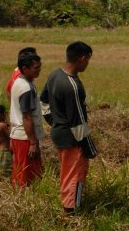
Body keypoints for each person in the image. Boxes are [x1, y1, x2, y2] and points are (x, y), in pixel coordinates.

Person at [40, 41, 93, 213]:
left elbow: (44, 101)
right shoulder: (72, 86)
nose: (87, 64)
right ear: (82, 58)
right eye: (88, 60)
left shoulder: (55, 75)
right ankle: (72, 210)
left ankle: (68, 204)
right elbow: (78, 121)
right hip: (72, 138)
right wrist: (89, 146)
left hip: (59, 133)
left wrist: (54, 122)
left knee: (67, 171)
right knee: (75, 175)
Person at [9, 51, 44, 187]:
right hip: (25, 138)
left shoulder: (18, 82)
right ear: (25, 69)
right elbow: (27, 117)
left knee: (20, 170)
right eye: (36, 68)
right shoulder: (26, 88)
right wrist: (33, 143)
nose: (39, 70)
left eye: (40, 67)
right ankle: (24, 201)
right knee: (28, 174)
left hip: (19, 136)